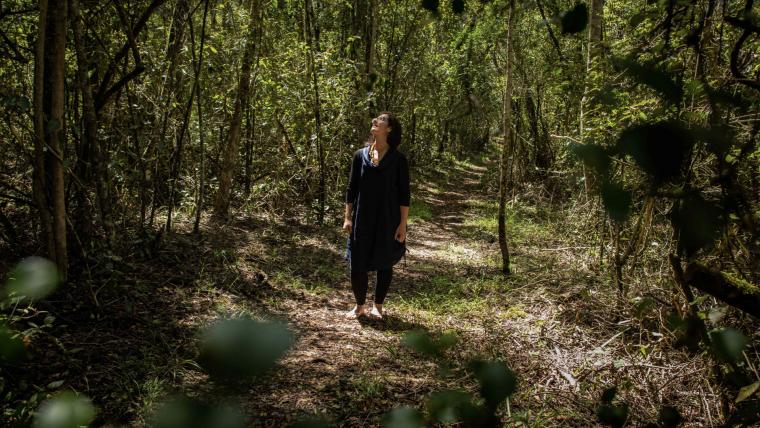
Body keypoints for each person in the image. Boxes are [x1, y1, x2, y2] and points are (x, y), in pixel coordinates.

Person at [343, 112, 410, 320]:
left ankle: (377, 306)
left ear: (389, 129)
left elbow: (404, 195)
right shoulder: (359, 155)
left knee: (384, 261)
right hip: (362, 217)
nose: (374, 121)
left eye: (380, 120)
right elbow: (351, 188)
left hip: (387, 219)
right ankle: (359, 306)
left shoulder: (398, 160)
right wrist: (347, 217)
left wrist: (402, 224)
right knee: (357, 261)